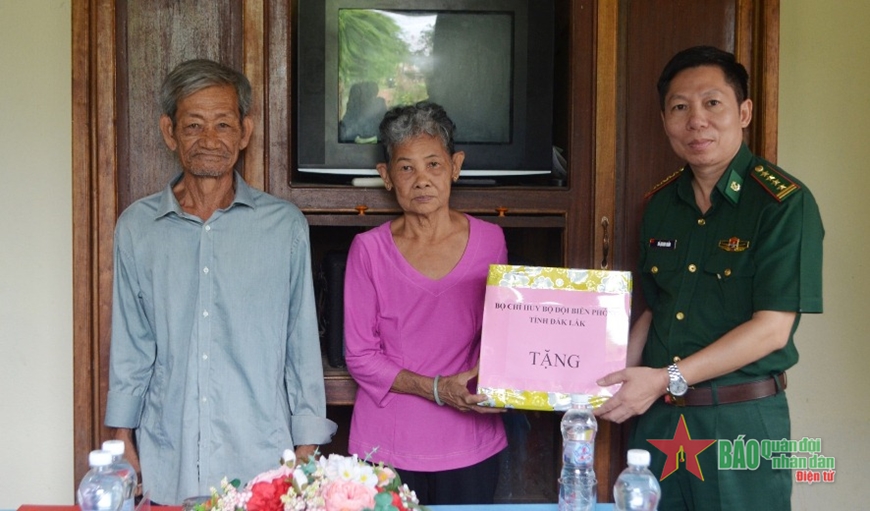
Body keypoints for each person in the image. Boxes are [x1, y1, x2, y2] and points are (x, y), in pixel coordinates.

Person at [595, 46, 823, 510]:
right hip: (659, 423)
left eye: (712, 103)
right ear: (664, 120)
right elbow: (655, 310)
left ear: (744, 112)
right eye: (680, 107)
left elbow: (771, 329)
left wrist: (666, 378)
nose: (696, 120)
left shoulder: (783, 204)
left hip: (740, 422)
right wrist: (599, 380)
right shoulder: (659, 205)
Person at [104, 59, 337, 505]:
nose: (209, 140)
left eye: (223, 124)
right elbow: (132, 346)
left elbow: (300, 344)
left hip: (263, 457)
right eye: (193, 125)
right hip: (167, 451)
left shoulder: (283, 226)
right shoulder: (137, 227)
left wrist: (307, 445)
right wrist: (122, 435)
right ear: (169, 132)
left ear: (244, 132)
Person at [343, 102, 508, 505]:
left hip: (471, 440)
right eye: (406, 168)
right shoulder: (368, 250)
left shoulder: (491, 240)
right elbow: (360, 355)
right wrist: (437, 389)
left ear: (455, 166)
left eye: (433, 164)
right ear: (386, 176)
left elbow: (504, 339)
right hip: (387, 445)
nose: (422, 180)